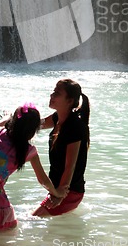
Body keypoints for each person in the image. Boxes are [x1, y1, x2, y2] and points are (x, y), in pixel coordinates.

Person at [32, 79, 90, 217]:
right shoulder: (58, 117)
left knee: (31, 220)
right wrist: (12, 122)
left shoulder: (74, 127)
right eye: (53, 91)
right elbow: (37, 125)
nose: (52, 95)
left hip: (69, 192)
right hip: (57, 189)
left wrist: (60, 194)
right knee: (33, 220)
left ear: (69, 101)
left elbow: (70, 165)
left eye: (57, 93)